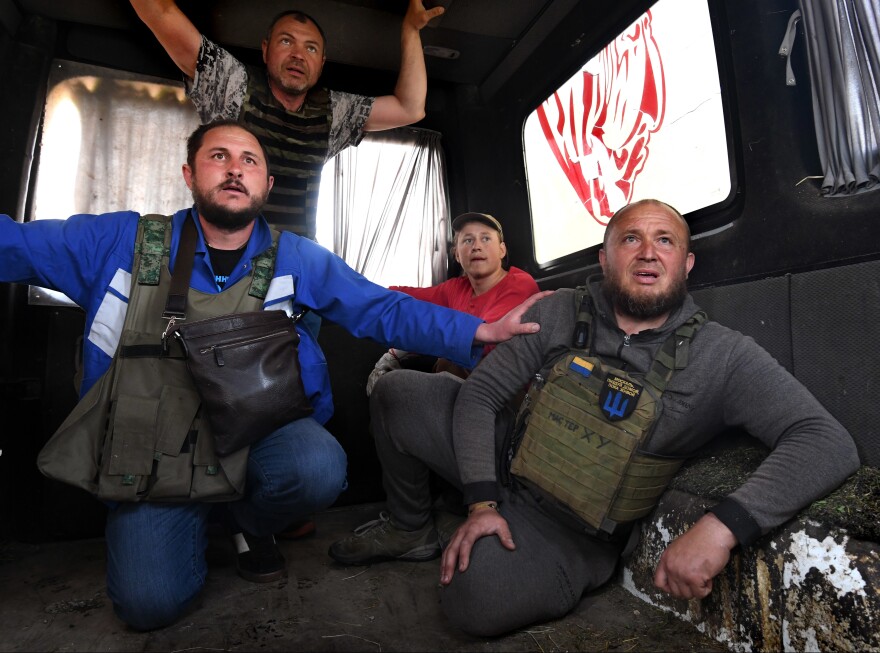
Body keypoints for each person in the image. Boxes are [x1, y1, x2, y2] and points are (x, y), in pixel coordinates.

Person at [0, 120, 546, 632]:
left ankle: (246, 520)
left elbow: (382, 309)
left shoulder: (297, 259)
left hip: (254, 436)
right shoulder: (118, 242)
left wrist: (481, 334)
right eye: (219, 157)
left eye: (250, 160)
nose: (235, 169)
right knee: (148, 605)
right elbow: (13, 245)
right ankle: (193, 525)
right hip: (151, 452)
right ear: (190, 174)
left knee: (317, 467)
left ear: (267, 182)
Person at [327, 199, 860, 636]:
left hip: (571, 530)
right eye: (630, 239)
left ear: (687, 263)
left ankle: (550, 564)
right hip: (506, 463)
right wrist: (481, 502)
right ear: (604, 259)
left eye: (666, 241)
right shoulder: (558, 309)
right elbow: (481, 394)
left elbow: (824, 440)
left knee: (473, 598)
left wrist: (721, 529)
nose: (648, 253)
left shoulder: (725, 356)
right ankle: (410, 526)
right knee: (398, 392)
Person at [129, 0, 443, 240]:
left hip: (293, 271)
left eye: (310, 48)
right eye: (286, 42)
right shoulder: (230, 82)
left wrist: (411, 30)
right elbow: (159, 12)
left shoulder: (334, 112)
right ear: (266, 50)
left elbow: (410, 108)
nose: (297, 55)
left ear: (321, 63)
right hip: (221, 262)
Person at [365, 212, 540, 392]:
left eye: (486, 238)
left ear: (502, 250)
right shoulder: (456, 288)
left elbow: (485, 344)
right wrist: (364, 293)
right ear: (457, 254)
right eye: (468, 241)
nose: (477, 246)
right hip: (466, 386)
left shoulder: (519, 284)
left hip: (508, 391)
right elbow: (410, 297)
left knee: (445, 363)